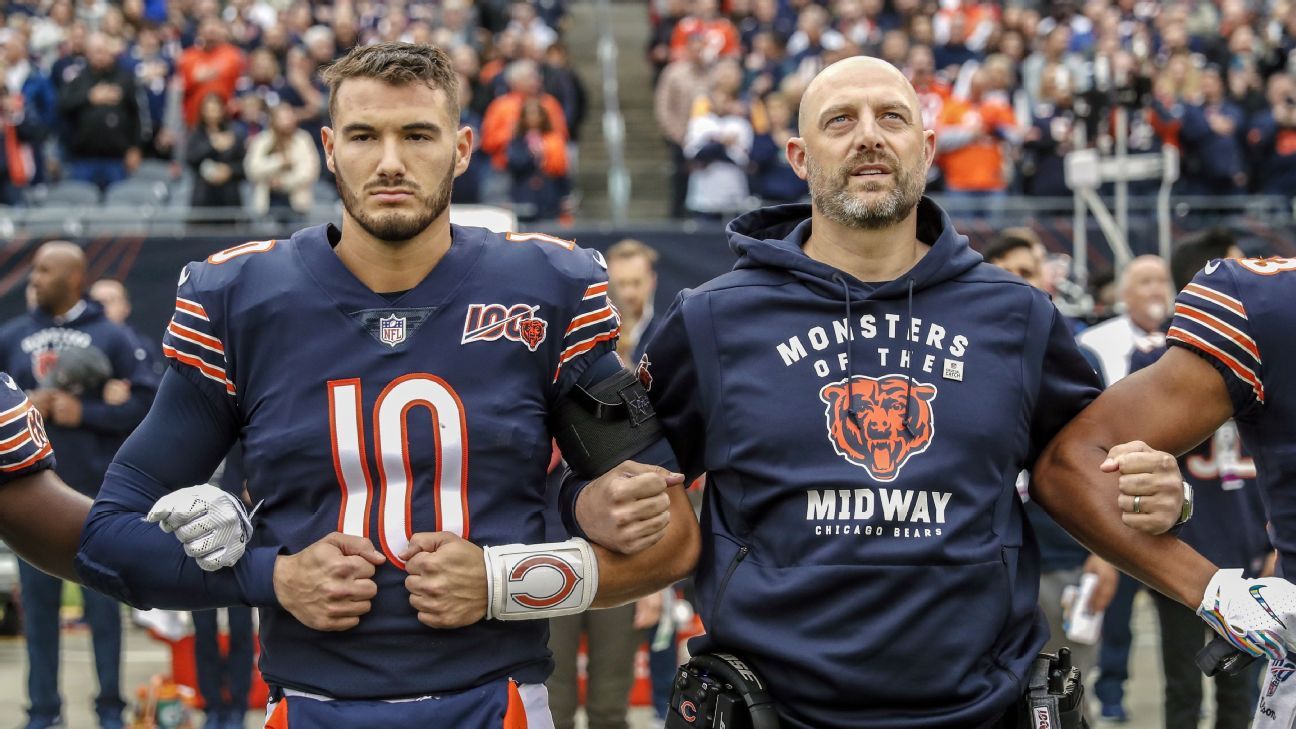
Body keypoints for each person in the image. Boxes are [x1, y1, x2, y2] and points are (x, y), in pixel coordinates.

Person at [75, 42, 697, 728]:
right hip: (310, 704)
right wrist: (272, 576)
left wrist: (500, 582)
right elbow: (106, 537)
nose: (392, 161)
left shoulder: (542, 291)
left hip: (498, 700)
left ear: (462, 148)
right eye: (365, 135)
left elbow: (671, 537)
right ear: (329, 148)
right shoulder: (240, 298)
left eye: (418, 134)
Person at [635, 55, 1184, 727]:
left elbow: (1090, 467)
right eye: (841, 121)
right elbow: (622, 478)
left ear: (926, 148)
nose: (869, 135)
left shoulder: (1017, 316)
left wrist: (1167, 494)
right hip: (776, 710)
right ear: (800, 158)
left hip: (982, 709)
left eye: (892, 117)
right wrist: (593, 505)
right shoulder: (712, 320)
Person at [1032, 254, 1296, 729]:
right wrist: (1216, 590)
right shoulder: (1271, 304)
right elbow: (1073, 463)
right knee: (1182, 684)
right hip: (1204, 542)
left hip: (1241, 535)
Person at [0, 242, 158, 729]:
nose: (33, 280)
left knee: (104, 613)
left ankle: (109, 710)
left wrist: (84, 412)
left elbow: (151, 407)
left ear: (73, 278)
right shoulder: (11, 335)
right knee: (39, 619)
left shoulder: (111, 336)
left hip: (98, 499)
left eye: (44, 272)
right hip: (28, 502)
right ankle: (42, 712)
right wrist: (28, 402)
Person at [1125, 229, 1268, 729]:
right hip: (1184, 543)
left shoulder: (1265, 343)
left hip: (1249, 537)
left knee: (1244, 690)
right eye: (1240, 265)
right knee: (1184, 687)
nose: (1254, 275)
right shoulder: (1160, 354)